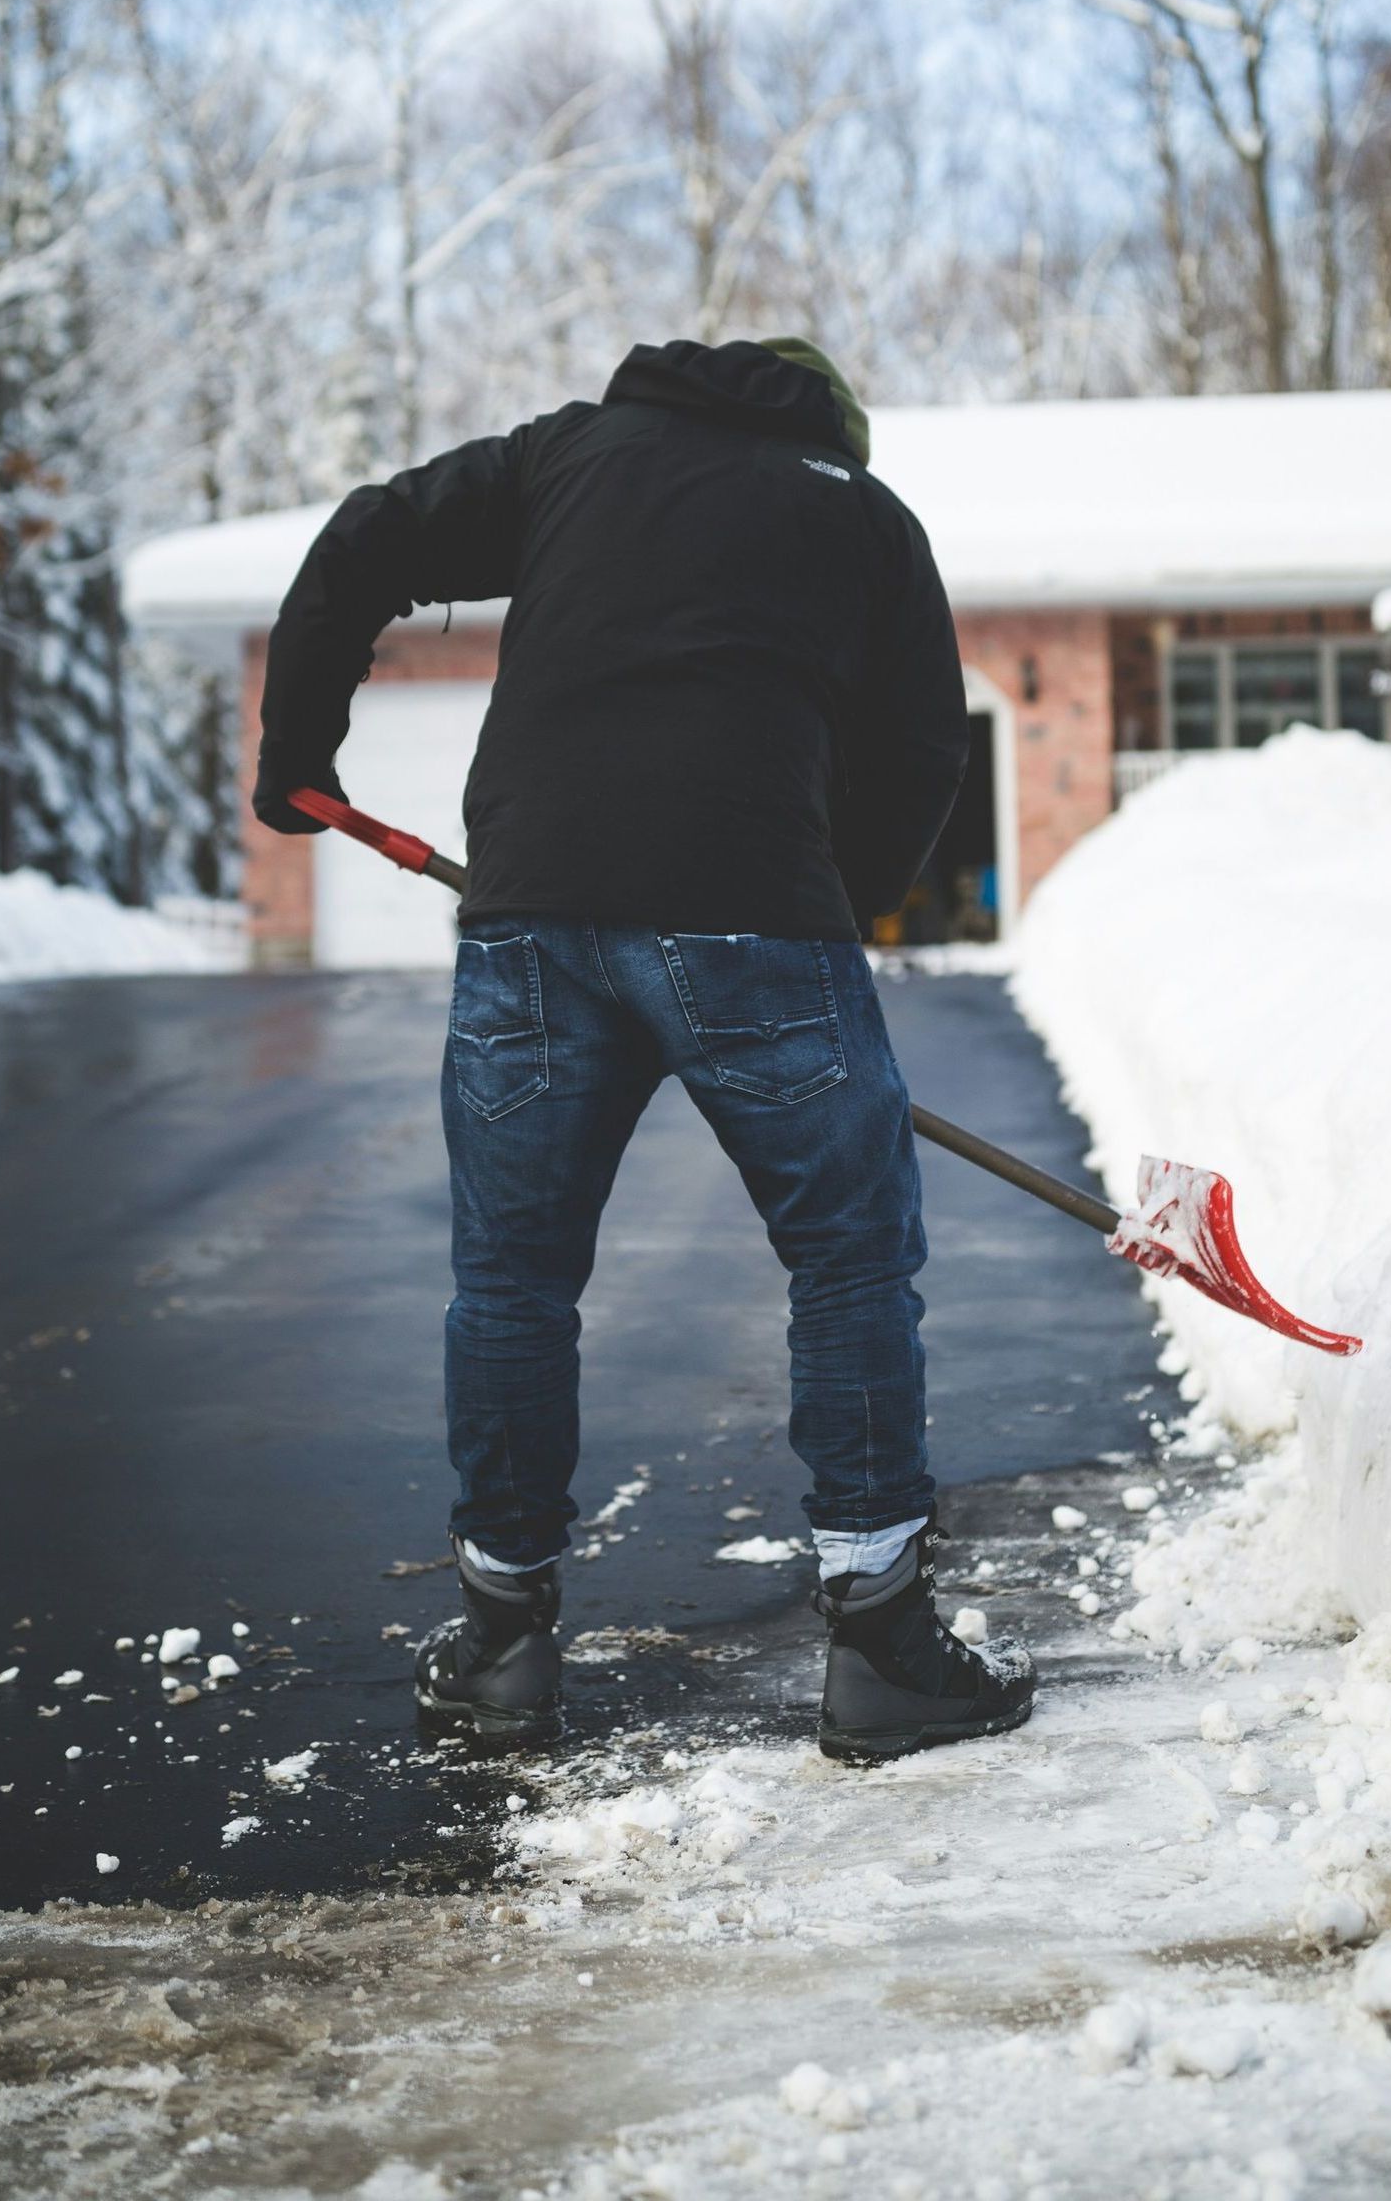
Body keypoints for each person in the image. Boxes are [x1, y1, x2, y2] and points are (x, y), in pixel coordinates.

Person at [254, 336, 1036, 1762]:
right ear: (836, 431)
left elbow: (370, 532)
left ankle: (500, 1645)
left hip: (532, 915)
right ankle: (879, 1649)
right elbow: (927, 743)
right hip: (755, 916)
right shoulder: (862, 516)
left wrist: (295, 742)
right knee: (850, 1258)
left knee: (512, 1278)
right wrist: (820, 900)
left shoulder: (570, 457)